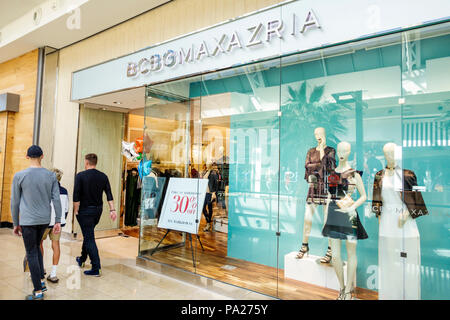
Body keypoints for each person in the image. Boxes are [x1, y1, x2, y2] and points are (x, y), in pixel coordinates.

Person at [11, 145, 62, 300]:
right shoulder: (51, 176)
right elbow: (56, 199)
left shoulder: (19, 176)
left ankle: (38, 291)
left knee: (32, 252)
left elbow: (14, 202)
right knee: (37, 248)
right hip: (44, 220)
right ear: (42, 156)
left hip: (28, 220)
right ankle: (41, 280)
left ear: (27, 157)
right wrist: (58, 220)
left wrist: (15, 223)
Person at [73, 153, 117, 276]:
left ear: (86, 162)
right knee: (88, 234)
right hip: (98, 211)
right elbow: (109, 193)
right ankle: (82, 259)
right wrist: (112, 210)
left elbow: (76, 195)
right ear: (95, 162)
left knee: (89, 238)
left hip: (85, 211)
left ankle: (96, 267)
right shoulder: (103, 176)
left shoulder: (80, 176)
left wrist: (75, 210)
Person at [40, 168, 69, 283]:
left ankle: (41, 269)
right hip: (58, 223)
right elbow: (66, 209)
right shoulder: (65, 191)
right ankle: (53, 274)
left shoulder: (45, 190)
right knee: (55, 245)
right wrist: (61, 221)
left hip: (45, 222)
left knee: (39, 244)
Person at [201, 163, 219, 232]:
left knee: (210, 207)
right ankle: (208, 221)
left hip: (210, 193)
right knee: (203, 207)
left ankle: (208, 224)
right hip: (204, 193)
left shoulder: (213, 173)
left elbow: (216, 184)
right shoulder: (206, 172)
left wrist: (214, 193)